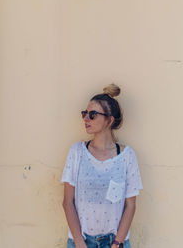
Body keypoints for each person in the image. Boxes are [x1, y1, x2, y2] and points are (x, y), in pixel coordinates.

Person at [61, 83, 143, 248]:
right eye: (85, 113)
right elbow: (67, 202)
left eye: (92, 115)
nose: (85, 119)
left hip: (115, 242)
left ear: (109, 120)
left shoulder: (127, 156)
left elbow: (130, 205)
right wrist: (79, 243)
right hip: (80, 242)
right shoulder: (77, 152)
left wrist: (117, 243)